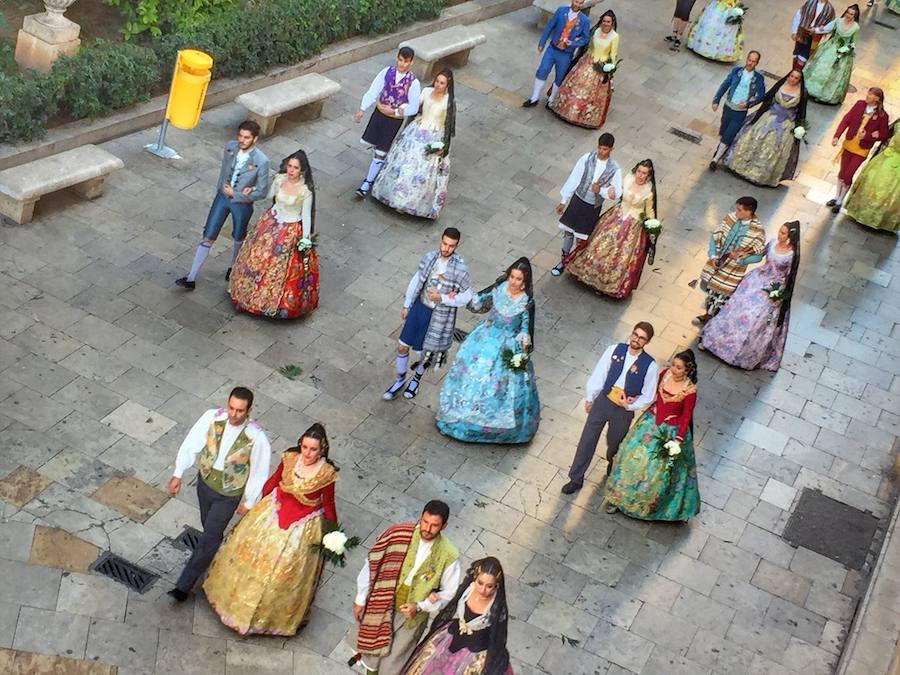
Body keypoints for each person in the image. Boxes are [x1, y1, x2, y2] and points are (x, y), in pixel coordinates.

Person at [203, 423, 336, 635]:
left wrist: (332, 535)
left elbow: (328, 504)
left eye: (313, 449)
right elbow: (273, 482)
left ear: (322, 450)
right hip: (273, 512)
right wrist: (254, 503)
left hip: (301, 527)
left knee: (282, 571)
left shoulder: (326, 474)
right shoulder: (290, 458)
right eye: (305, 447)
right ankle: (233, 606)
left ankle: (265, 620)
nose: (308, 453)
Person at [166, 387, 271, 601]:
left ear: (248, 410)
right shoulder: (212, 418)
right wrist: (178, 473)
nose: (234, 414)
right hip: (204, 484)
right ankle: (215, 555)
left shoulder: (256, 437)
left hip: (229, 494)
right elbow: (191, 443)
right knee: (210, 531)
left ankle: (183, 586)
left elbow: (260, 472)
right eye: (231, 408)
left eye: (240, 410)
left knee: (209, 536)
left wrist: (250, 501)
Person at [349, 500, 462, 675]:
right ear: (421, 517)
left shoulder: (448, 554)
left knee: (393, 661)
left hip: (412, 617)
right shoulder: (398, 534)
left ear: (444, 526)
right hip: (382, 602)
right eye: (425, 522)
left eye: (434, 525)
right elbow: (371, 564)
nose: (427, 528)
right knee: (371, 651)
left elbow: (448, 592)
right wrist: (360, 598)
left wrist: (420, 606)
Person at [436, 258, 540, 444]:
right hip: (484, 338)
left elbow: (525, 328)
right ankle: (459, 416)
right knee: (470, 377)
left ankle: (492, 426)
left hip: (507, 346)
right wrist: (468, 297)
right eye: (512, 277)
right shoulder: (498, 290)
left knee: (499, 387)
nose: (514, 282)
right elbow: (478, 303)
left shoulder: (526, 303)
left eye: (518, 279)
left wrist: (523, 341)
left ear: (525, 282)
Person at [561, 323, 659, 494]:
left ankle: (612, 463)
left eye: (642, 338)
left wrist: (630, 405)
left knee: (615, 443)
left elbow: (648, 395)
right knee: (587, 440)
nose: (636, 339)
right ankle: (575, 478)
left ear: (647, 342)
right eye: (635, 334)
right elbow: (600, 373)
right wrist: (591, 397)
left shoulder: (650, 366)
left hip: (623, 410)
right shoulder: (615, 350)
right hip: (604, 401)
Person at [604, 350, 700, 522]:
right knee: (632, 460)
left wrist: (677, 440)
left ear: (687, 370)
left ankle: (650, 507)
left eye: (679, 368)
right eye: (673, 366)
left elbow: (685, 416)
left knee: (659, 471)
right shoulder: (664, 375)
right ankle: (619, 499)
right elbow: (650, 393)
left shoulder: (690, 391)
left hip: (670, 431)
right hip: (649, 423)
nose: (674, 370)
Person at [176, 121, 270, 290]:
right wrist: (221, 188)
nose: (242, 140)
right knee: (209, 233)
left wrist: (238, 194)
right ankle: (191, 276)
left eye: (246, 137)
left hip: (241, 203)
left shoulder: (261, 161)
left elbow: (262, 191)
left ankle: (233, 267)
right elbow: (224, 170)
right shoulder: (230, 147)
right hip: (222, 197)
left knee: (239, 236)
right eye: (240, 136)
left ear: (254, 139)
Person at [384, 228, 472, 401]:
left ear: (456, 246)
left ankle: (415, 381)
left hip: (438, 316)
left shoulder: (460, 269)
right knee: (402, 346)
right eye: (444, 243)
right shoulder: (430, 257)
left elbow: (467, 295)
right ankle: (399, 379)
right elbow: (417, 280)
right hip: (420, 307)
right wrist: (407, 304)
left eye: (451, 246)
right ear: (441, 240)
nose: (446, 248)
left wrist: (444, 298)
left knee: (426, 353)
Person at [229, 149, 319, 318]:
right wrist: (251, 189)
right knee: (256, 259)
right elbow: (267, 195)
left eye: (295, 168)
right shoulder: (279, 180)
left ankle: (273, 304)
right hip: (271, 223)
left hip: (290, 229)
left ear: (302, 170)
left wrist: (306, 240)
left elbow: (306, 216)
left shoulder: (305, 191)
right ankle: (246, 296)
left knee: (280, 268)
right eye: (290, 166)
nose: (291, 171)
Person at [700, 222, 800, 371]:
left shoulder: (791, 255)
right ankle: (713, 341)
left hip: (773, 287)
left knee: (753, 317)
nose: (780, 235)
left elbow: (789, 277)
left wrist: (779, 296)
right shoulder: (772, 243)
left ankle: (739, 354)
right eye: (780, 231)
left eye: (783, 233)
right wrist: (742, 258)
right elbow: (759, 256)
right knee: (734, 309)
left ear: (790, 236)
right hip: (757, 279)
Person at [401, 557, 513, 675]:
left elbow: (498, 636)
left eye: (489, 586)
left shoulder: (496, 605)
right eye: (480, 583)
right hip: (450, 637)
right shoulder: (467, 589)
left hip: (476, 650)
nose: (482, 590)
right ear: (475, 577)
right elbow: (449, 597)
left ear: (496, 585)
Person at [564, 159, 658, 299]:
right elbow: (614, 191)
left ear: (648, 175)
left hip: (633, 224)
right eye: (639, 171)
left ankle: (608, 284)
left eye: (644, 173)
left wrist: (653, 229)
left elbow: (649, 212)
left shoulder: (649, 192)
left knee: (620, 254)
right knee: (600, 244)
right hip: (617, 215)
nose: (640, 175)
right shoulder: (627, 179)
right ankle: (587, 273)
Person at [371, 69, 456, 219]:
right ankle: (392, 195)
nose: (438, 85)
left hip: (435, 135)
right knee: (405, 162)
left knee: (423, 170)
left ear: (447, 85)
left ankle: (412, 203)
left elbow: (450, 126)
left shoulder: (449, 101)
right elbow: (414, 108)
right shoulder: (426, 91)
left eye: (442, 83)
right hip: (417, 129)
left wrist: (444, 146)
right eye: (437, 81)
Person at [354, 47, 422, 198]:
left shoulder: (413, 83)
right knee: (375, 145)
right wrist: (362, 109)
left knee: (381, 150)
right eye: (400, 60)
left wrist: (395, 111)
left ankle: (367, 183)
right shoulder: (386, 72)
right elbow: (374, 90)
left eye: (406, 61)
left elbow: (413, 106)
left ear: (411, 62)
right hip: (378, 115)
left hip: (393, 121)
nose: (402, 64)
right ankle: (377, 170)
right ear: (397, 58)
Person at [550, 134, 622, 277]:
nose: (602, 152)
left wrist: (601, 191)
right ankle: (563, 261)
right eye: (601, 148)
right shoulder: (587, 158)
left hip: (592, 206)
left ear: (612, 149)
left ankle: (576, 263)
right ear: (597, 146)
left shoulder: (615, 169)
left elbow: (617, 192)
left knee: (582, 237)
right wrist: (564, 200)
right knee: (568, 231)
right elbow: (574, 177)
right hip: (578, 199)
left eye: (606, 149)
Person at [724, 69, 808, 187]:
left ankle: (761, 176)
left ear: (800, 80)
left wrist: (800, 128)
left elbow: (802, 111)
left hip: (785, 123)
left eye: (796, 78)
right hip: (769, 117)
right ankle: (741, 166)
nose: (792, 79)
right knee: (756, 137)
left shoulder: (802, 92)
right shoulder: (781, 84)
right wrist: (749, 104)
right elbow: (766, 96)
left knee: (774, 148)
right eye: (791, 76)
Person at [692, 196, 765, 326]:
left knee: (722, 298)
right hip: (718, 263)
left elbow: (758, 256)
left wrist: (741, 260)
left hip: (733, 270)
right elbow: (715, 236)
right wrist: (713, 255)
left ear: (749, 212)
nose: (736, 212)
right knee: (710, 293)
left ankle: (713, 322)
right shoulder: (730, 218)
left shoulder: (758, 231)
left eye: (739, 210)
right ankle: (707, 315)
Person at [549, 10, 619, 129]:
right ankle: (565, 108)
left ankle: (584, 116)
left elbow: (613, 54)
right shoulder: (595, 31)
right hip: (587, 60)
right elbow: (586, 44)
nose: (605, 24)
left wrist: (610, 68)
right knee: (575, 85)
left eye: (608, 22)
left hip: (600, 65)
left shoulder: (614, 37)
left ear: (612, 23)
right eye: (604, 21)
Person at [827, 88, 890, 214]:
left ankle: (841, 200)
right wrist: (837, 136)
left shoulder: (883, 116)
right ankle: (836, 197)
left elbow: (884, 135)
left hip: (862, 149)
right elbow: (846, 120)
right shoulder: (859, 104)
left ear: (877, 99)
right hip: (849, 143)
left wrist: (869, 135)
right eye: (868, 93)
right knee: (843, 171)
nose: (868, 95)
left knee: (849, 173)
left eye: (871, 94)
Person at [522, 0, 591, 108]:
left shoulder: (584, 20)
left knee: (560, 76)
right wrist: (542, 42)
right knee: (542, 70)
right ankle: (534, 97)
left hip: (566, 53)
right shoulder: (561, 11)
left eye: (580, 3)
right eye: (576, 1)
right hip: (552, 48)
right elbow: (550, 27)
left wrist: (573, 43)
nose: (577, 5)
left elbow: (586, 38)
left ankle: (551, 100)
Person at [709, 50, 766, 170]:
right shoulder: (736, 71)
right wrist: (716, 100)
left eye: (754, 61)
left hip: (740, 112)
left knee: (730, 133)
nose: (750, 63)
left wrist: (749, 103)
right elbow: (725, 85)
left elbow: (761, 95)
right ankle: (722, 149)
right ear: (747, 59)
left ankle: (715, 159)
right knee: (724, 130)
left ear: (757, 63)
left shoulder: (758, 79)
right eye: (749, 60)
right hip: (729, 106)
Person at [843, 119, 899, 232]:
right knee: (875, 182)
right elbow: (885, 135)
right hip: (886, 158)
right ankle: (867, 214)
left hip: (891, 161)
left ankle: (875, 217)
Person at [803, 5, 860, 105]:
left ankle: (824, 95)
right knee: (821, 67)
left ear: (855, 16)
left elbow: (853, 43)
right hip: (830, 47)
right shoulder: (838, 21)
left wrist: (846, 49)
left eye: (851, 14)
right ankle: (810, 89)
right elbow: (826, 28)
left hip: (842, 53)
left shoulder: (856, 27)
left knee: (833, 73)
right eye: (848, 12)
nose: (849, 15)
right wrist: (815, 30)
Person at [791, 0, 836, 70]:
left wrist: (816, 30)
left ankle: (799, 75)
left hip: (814, 37)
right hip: (802, 32)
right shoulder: (810, 2)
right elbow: (799, 15)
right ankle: (793, 72)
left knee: (805, 57)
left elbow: (830, 26)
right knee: (797, 53)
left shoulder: (829, 10)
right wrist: (794, 31)